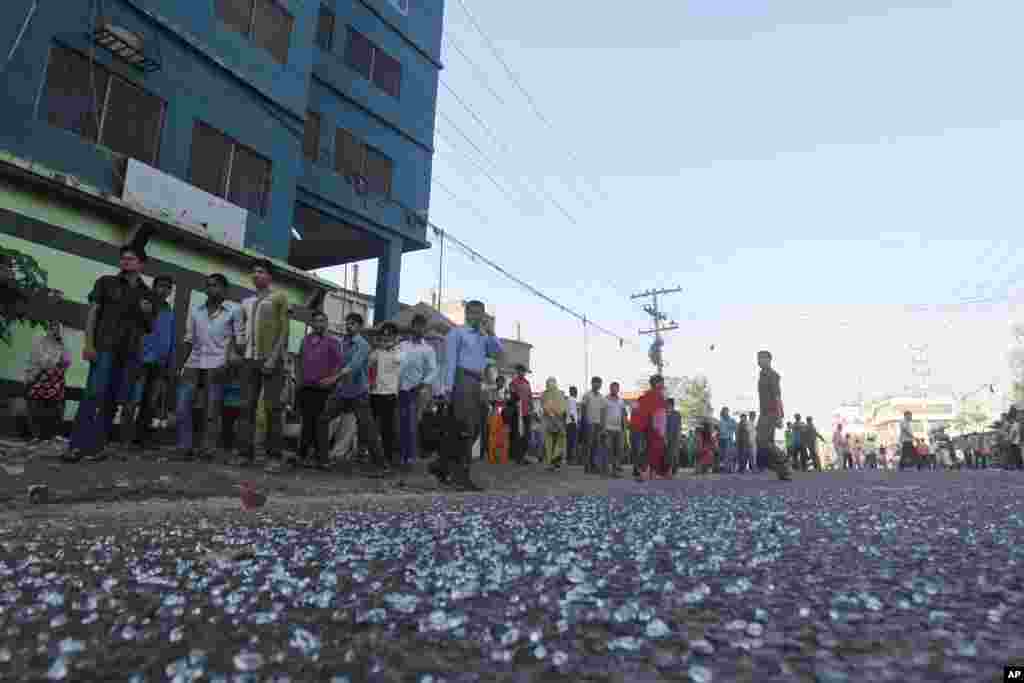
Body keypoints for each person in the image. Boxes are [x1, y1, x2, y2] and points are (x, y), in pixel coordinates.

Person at [65, 241, 156, 462]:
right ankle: (76, 446)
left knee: (113, 399)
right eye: (123, 257)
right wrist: (88, 344)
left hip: (130, 354)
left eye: (131, 258)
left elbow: (148, 327)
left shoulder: (147, 294)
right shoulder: (106, 283)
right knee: (93, 394)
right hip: (104, 348)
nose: (126, 260)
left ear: (141, 264)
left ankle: (97, 447)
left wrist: (146, 313)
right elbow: (93, 313)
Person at [431, 300, 503, 490]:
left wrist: (491, 332)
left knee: (475, 426)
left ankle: (442, 464)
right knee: (465, 428)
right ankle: (461, 475)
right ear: (466, 314)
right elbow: (450, 362)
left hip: (478, 382)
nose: (476, 316)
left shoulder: (484, 336)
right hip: (462, 380)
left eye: (480, 313)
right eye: (472, 312)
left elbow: (498, 352)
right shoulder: (457, 333)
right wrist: (447, 389)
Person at [175, 273, 241, 461]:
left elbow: (239, 340)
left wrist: (228, 362)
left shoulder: (233, 311)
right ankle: (184, 446)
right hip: (194, 363)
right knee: (182, 406)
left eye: (216, 286)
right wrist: (180, 366)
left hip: (218, 364)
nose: (212, 289)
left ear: (224, 289)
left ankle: (207, 449)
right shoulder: (196, 311)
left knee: (211, 411)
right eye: (209, 285)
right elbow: (189, 339)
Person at [233, 259, 290, 469]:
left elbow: (284, 330)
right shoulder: (246, 302)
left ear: (269, 276)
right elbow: (241, 329)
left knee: (272, 408)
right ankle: (244, 454)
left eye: (260, 272)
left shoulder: (279, 298)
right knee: (246, 406)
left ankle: (274, 457)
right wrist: (239, 349)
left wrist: (273, 358)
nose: (256, 275)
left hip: (271, 361)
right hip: (249, 360)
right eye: (253, 272)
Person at [316, 312, 388, 475]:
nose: (349, 326)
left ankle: (381, 465)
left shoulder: (363, 345)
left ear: (359, 327)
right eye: (348, 323)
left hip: (358, 393)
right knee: (323, 419)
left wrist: (332, 379)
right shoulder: (343, 343)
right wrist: (332, 377)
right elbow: (340, 364)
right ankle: (323, 460)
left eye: (353, 324)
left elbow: (353, 367)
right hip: (342, 391)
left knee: (367, 428)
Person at [123, 275, 176, 449]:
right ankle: (125, 439)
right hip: (140, 359)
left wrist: (170, 363)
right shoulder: (145, 305)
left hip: (160, 364)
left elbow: (171, 339)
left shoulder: (169, 311)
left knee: (150, 403)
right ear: (154, 287)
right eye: (161, 286)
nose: (164, 290)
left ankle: (141, 439)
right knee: (132, 399)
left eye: (168, 287)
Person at [294, 310, 343, 468]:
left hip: (323, 389)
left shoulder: (333, 341)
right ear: (312, 324)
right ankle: (302, 455)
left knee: (319, 423)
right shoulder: (306, 340)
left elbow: (339, 364)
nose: (319, 324)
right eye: (316, 321)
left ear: (326, 323)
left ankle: (320, 458)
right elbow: (299, 359)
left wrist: (331, 380)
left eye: (322, 321)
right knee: (307, 422)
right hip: (305, 387)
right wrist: (298, 379)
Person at [398, 314, 438, 467]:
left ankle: (411, 457)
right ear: (412, 326)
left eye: (422, 326)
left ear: (425, 329)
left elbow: (433, 370)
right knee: (401, 423)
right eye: (416, 325)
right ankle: (402, 455)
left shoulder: (428, 349)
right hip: (400, 389)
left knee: (412, 423)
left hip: (417, 390)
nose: (419, 329)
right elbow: (397, 365)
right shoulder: (402, 345)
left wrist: (423, 384)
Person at [24, 320, 71, 442]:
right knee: (36, 403)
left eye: (58, 327)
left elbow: (67, 362)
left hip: (53, 381)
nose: (56, 330)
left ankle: (52, 434)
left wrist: (61, 346)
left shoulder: (61, 343)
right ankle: (37, 434)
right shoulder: (39, 339)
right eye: (54, 327)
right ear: (49, 328)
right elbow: (44, 362)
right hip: (37, 378)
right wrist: (56, 363)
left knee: (57, 400)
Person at [369, 321, 402, 466]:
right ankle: (375, 456)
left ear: (395, 337)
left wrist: (391, 347)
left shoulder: (400, 351)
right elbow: (369, 362)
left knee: (388, 428)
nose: (386, 337)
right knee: (373, 426)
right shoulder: (377, 351)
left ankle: (389, 457)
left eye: (390, 335)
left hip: (389, 394)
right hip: (375, 393)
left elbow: (400, 360)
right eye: (384, 334)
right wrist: (377, 347)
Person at [756, 351, 791, 480]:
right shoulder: (762, 375)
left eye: (761, 358)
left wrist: (779, 415)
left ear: (769, 359)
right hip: (764, 413)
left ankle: (783, 460)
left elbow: (777, 396)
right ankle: (782, 470)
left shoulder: (772, 375)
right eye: (757, 359)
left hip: (770, 413)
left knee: (763, 442)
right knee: (765, 443)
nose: (758, 361)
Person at [631, 375, 669, 480]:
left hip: (651, 427)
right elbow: (654, 413)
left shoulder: (655, 395)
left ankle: (651, 472)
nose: (663, 384)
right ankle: (645, 472)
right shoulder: (652, 395)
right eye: (662, 382)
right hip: (652, 427)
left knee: (653, 450)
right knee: (652, 450)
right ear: (657, 383)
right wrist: (659, 430)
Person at [579, 376, 606, 473]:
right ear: (592, 383)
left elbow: (603, 412)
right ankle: (587, 466)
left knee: (596, 445)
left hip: (598, 424)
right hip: (589, 423)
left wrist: (603, 425)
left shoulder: (602, 397)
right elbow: (583, 409)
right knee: (588, 445)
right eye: (596, 383)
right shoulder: (587, 395)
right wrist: (584, 422)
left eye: (599, 383)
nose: (598, 385)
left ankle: (594, 465)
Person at [541, 377, 568, 471]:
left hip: (554, 422)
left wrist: (554, 417)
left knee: (555, 443)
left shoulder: (549, 394)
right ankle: (554, 464)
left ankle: (554, 464)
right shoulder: (549, 394)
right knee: (555, 443)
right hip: (554, 422)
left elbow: (546, 408)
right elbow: (563, 410)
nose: (549, 385)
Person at [509, 364, 533, 464]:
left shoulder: (527, 383)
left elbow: (530, 396)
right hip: (517, 413)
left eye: (523, 371)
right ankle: (517, 457)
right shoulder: (513, 382)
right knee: (517, 434)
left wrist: (531, 407)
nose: (521, 373)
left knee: (526, 435)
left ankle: (523, 455)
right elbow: (512, 396)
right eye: (519, 371)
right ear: (517, 371)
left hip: (526, 412)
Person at [603, 381, 628, 476]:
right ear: (610, 389)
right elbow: (603, 414)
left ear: (618, 389)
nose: (614, 389)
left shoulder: (621, 401)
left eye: (616, 388)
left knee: (619, 449)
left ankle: (616, 468)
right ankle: (609, 469)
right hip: (608, 429)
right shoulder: (605, 400)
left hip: (619, 429)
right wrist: (603, 428)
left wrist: (624, 428)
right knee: (609, 449)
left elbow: (623, 415)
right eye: (613, 388)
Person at [666, 398, 682, 476]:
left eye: (668, 404)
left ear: (671, 405)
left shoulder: (677, 414)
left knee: (673, 453)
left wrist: (678, 436)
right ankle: (668, 469)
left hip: (675, 436)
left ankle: (673, 469)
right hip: (666, 436)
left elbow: (679, 426)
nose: (666, 406)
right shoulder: (665, 413)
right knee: (668, 453)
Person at [719, 407, 737, 473]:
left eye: (726, 411)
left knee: (729, 455)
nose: (725, 412)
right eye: (724, 411)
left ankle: (730, 469)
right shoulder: (721, 420)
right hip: (722, 439)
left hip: (729, 439)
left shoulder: (731, 420)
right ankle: (726, 468)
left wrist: (731, 427)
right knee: (723, 455)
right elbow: (720, 430)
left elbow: (736, 427)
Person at [566, 386, 579, 465]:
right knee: (572, 442)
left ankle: (569, 459)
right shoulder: (572, 400)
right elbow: (571, 412)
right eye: (575, 391)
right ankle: (570, 459)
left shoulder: (569, 400)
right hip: (572, 423)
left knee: (570, 442)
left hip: (569, 423)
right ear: (572, 392)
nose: (576, 393)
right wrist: (574, 422)